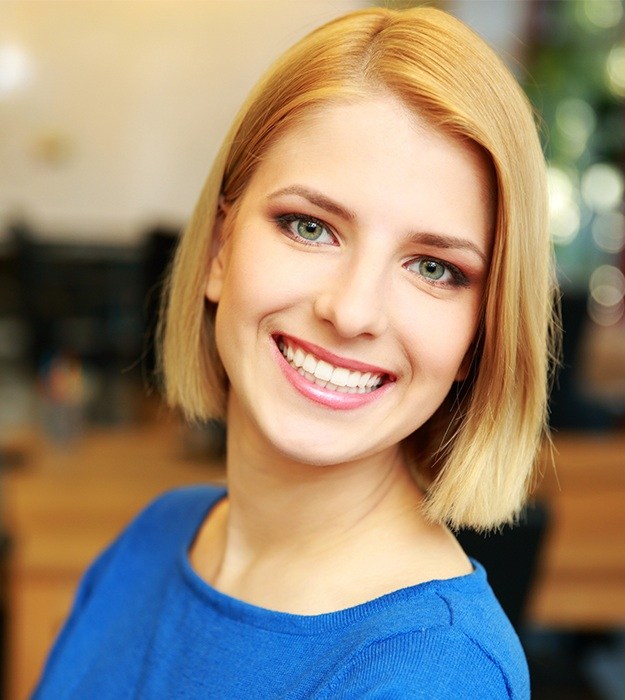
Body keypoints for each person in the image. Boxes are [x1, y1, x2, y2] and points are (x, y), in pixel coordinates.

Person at [33, 6, 557, 699]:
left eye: (433, 267)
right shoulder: (154, 538)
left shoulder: (436, 673)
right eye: (309, 226)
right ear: (220, 249)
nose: (351, 310)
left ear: (478, 336)